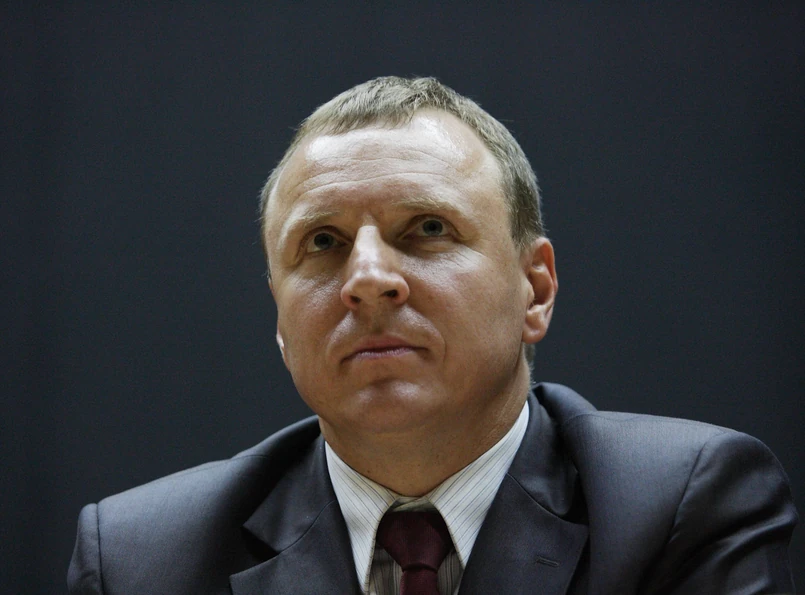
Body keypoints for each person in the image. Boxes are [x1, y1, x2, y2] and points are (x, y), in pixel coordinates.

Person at [68, 76, 797, 594]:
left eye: (426, 228)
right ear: (281, 321)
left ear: (535, 289)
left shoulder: (679, 509)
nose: (366, 279)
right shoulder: (140, 562)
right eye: (322, 242)